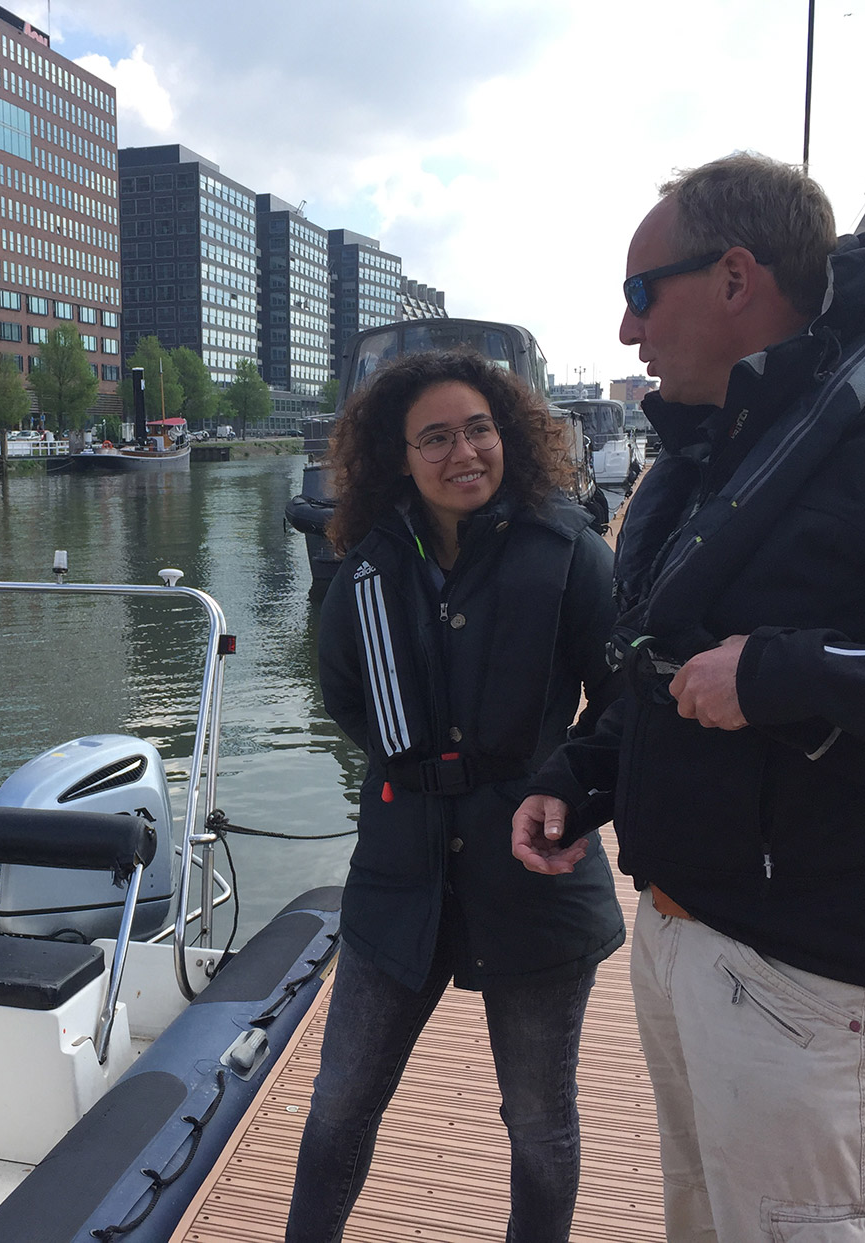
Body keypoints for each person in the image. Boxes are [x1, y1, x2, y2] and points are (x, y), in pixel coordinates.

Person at [512, 152, 865, 1240]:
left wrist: (783, 671)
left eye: (641, 293)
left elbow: (753, 672)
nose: (628, 332)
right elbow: (660, 663)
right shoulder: (711, 454)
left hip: (807, 972)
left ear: (735, 278)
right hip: (679, 934)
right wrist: (578, 777)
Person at [286, 349, 625, 1242]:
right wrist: (424, 774)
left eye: (478, 429)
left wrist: (573, 790)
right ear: (401, 456)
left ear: (506, 433)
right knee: (338, 1106)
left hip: (535, 875)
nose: (463, 452)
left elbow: (630, 699)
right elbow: (346, 696)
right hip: (400, 873)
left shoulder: (571, 555)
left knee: (540, 1126)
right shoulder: (364, 571)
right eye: (435, 437)